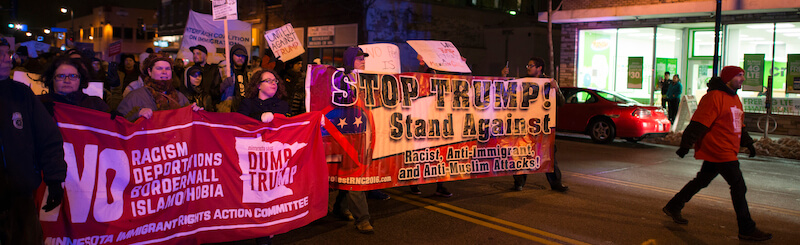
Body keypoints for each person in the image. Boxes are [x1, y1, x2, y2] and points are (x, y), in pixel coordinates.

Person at [663, 66, 772, 241]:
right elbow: (698, 123)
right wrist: (686, 144)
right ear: (728, 78)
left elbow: (739, 124)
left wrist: (748, 143)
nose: (743, 79)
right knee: (738, 187)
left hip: (727, 149)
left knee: (702, 180)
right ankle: (746, 228)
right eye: (739, 75)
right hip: (719, 149)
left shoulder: (735, 98)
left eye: (743, 75)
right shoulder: (714, 97)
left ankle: (674, 205)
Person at [0, 36, 67, 244]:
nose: (7, 59)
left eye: (7, 54)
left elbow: (47, 137)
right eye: (0, 55)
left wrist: (55, 179)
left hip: (20, 196)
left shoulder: (22, 94)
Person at [503, 57, 568, 192]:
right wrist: (504, 77)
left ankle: (556, 183)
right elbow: (508, 93)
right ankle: (519, 182)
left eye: (531, 65)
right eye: (528, 65)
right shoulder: (523, 82)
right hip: (525, 126)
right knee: (521, 154)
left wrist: (556, 90)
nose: (528, 67)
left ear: (539, 68)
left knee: (548, 155)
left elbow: (561, 102)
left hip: (542, 127)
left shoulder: (549, 82)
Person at [328, 46, 375, 234]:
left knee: (349, 174)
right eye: (359, 58)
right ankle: (362, 219)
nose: (363, 61)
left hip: (362, 133)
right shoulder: (340, 80)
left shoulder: (368, 80)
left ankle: (340, 207)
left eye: (364, 58)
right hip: (345, 135)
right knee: (355, 176)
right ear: (350, 61)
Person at [116, 55, 201, 121]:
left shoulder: (180, 97)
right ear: (149, 71)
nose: (164, 72)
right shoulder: (135, 96)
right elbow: (119, 122)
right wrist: (137, 114)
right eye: (159, 68)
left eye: (167, 69)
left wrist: (193, 112)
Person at [38, 57, 110, 114]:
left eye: (73, 76)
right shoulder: (39, 103)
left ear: (80, 79)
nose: (67, 81)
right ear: (51, 78)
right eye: (61, 76)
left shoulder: (96, 104)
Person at [188, 45, 222, 111]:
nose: (195, 55)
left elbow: (216, 90)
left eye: (198, 53)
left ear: (206, 56)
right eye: (194, 53)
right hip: (194, 108)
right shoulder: (190, 70)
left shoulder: (213, 70)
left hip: (210, 108)